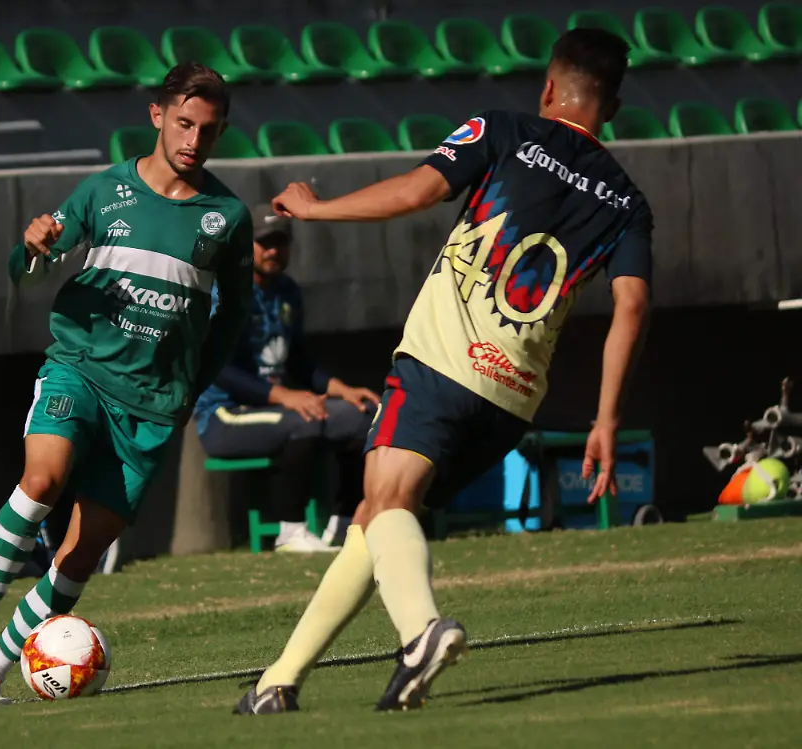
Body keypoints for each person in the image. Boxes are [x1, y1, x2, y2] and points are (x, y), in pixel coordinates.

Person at [236, 27, 653, 714]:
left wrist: (315, 208)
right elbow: (631, 306)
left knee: (387, 501)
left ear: (548, 87)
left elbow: (416, 191)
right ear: (614, 104)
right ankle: (278, 680)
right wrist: (606, 418)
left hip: (441, 361)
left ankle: (421, 634)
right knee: (378, 517)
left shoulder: (505, 130)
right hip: (511, 397)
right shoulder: (626, 200)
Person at [0, 61, 254, 707]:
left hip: (153, 403)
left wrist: (193, 384)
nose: (194, 139)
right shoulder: (104, 191)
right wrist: (31, 246)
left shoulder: (226, 215)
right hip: (80, 367)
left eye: (210, 129)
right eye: (185, 122)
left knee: (79, 558)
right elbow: (25, 271)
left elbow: (234, 315)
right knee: (43, 479)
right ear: (157, 115)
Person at [193, 205, 379, 552]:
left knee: (361, 416)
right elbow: (218, 367)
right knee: (302, 421)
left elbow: (298, 361)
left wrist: (344, 390)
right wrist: (286, 397)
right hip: (223, 417)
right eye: (264, 243)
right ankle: (290, 532)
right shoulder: (225, 292)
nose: (273, 251)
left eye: (280, 243)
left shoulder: (287, 290)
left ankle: (344, 526)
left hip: (276, 407)